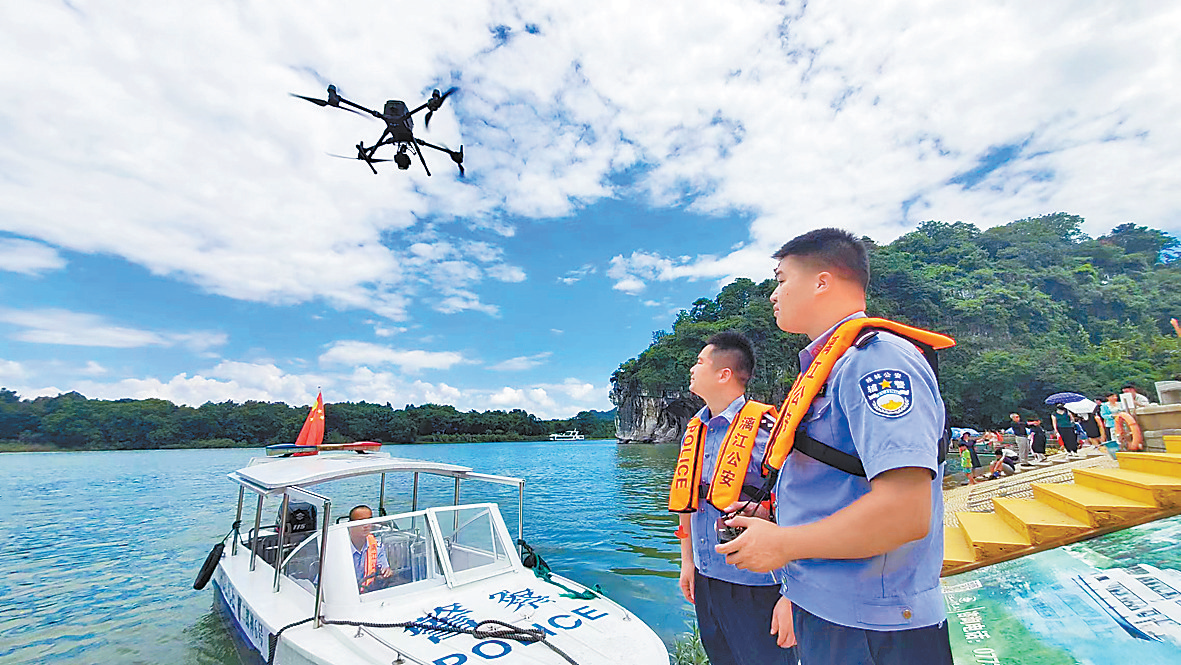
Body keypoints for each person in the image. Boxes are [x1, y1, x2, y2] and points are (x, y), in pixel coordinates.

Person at [717, 228, 954, 664]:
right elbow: (840, 483)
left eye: (782, 278)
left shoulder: (877, 361)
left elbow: (906, 512)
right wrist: (773, 519)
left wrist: (783, 543)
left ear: (822, 281)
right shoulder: (829, 367)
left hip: (874, 626)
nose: (774, 293)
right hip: (827, 607)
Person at [669, 331, 797, 664]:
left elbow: (801, 510)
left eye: (699, 362)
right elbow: (688, 502)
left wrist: (792, 594)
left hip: (758, 583)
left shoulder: (769, 429)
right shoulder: (694, 429)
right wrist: (687, 563)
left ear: (723, 374)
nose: (692, 369)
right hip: (707, 579)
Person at [348, 504, 392, 592]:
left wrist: (387, 572)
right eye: (360, 521)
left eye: (368, 521)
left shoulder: (377, 546)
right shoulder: (339, 548)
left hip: (370, 592)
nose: (366, 525)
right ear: (351, 524)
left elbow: (384, 568)